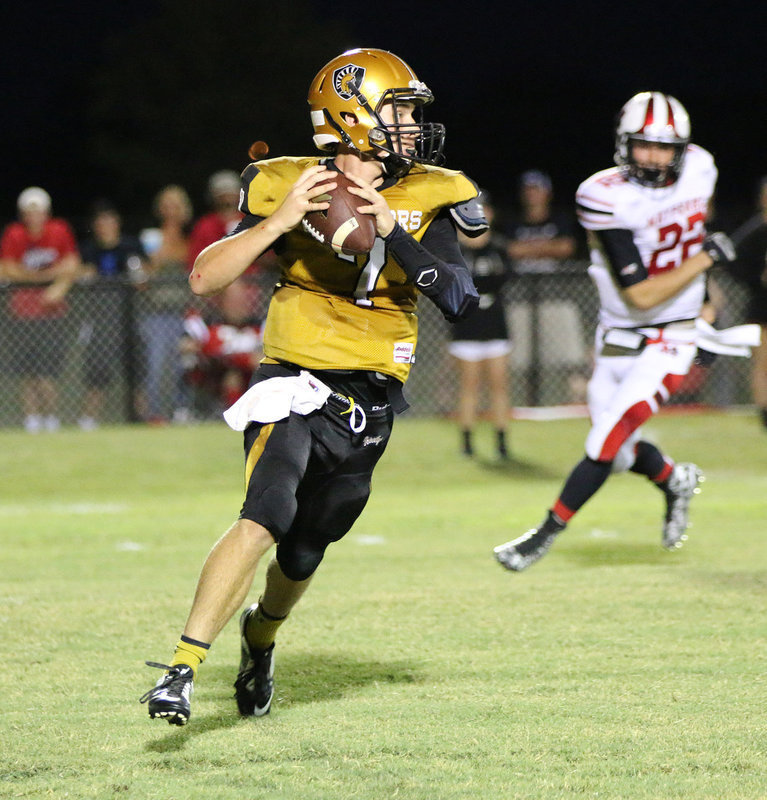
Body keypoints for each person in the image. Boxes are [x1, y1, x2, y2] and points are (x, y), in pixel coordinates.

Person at [140, 47, 484, 725]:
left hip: (373, 396)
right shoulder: (282, 181)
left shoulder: (433, 191)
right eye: (400, 109)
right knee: (264, 512)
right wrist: (275, 223)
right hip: (293, 376)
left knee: (305, 550)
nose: (412, 123)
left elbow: (461, 299)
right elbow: (204, 279)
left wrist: (393, 232)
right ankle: (179, 670)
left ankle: (259, 638)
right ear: (351, 115)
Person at [493, 91, 737, 572]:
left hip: (674, 334)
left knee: (606, 438)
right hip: (620, 330)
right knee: (621, 451)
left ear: (683, 149)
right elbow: (641, 295)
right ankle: (673, 479)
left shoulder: (701, 169)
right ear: (623, 144)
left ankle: (544, 534)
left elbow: (687, 234)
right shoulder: (602, 195)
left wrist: (707, 296)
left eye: (664, 147)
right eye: (643, 145)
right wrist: (707, 258)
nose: (653, 157)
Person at [0, 187, 81, 432]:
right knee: (27, 368)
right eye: (29, 212)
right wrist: (47, 276)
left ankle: (50, 416)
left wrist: (35, 279)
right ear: (23, 214)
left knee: (48, 369)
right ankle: (32, 418)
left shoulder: (59, 230)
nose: (34, 217)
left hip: (51, 310)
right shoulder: (14, 233)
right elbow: (6, 268)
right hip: (22, 311)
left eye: (38, 211)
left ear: (47, 213)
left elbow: (72, 264)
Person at [504, 170, 585, 404]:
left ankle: (575, 404)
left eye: (537, 189)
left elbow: (566, 248)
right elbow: (510, 250)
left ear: (547, 193)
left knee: (572, 359)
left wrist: (527, 249)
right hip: (520, 300)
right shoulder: (513, 222)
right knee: (520, 361)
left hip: (556, 298)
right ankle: (522, 405)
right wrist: (547, 247)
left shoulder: (559, 219)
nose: (532, 195)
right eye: (528, 190)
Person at [447, 192, 513, 459]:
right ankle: (467, 442)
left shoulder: (499, 247)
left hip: (495, 324)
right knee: (469, 386)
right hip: (466, 326)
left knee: (499, 386)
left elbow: (507, 278)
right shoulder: (455, 249)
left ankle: (501, 441)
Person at [77, 201, 147, 429]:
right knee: (97, 372)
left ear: (117, 223)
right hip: (101, 319)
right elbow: (84, 277)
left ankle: (142, 417)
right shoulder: (89, 249)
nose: (105, 226)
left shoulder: (130, 246)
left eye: (109, 220)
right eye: (100, 222)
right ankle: (89, 419)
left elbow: (143, 277)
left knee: (136, 370)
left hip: (130, 316)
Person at [137, 185, 194, 423]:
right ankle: (154, 414)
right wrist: (159, 255)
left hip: (187, 311)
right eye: (167, 205)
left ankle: (184, 411)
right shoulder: (150, 237)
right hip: (157, 311)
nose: (171, 210)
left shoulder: (192, 237)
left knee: (186, 364)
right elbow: (142, 277)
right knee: (156, 364)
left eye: (176, 205)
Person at [727, 176, 767, 428]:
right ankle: (765, 414)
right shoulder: (757, 230)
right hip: (763, 307)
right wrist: (758, 278)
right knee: (762, 364)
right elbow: (733, 262)